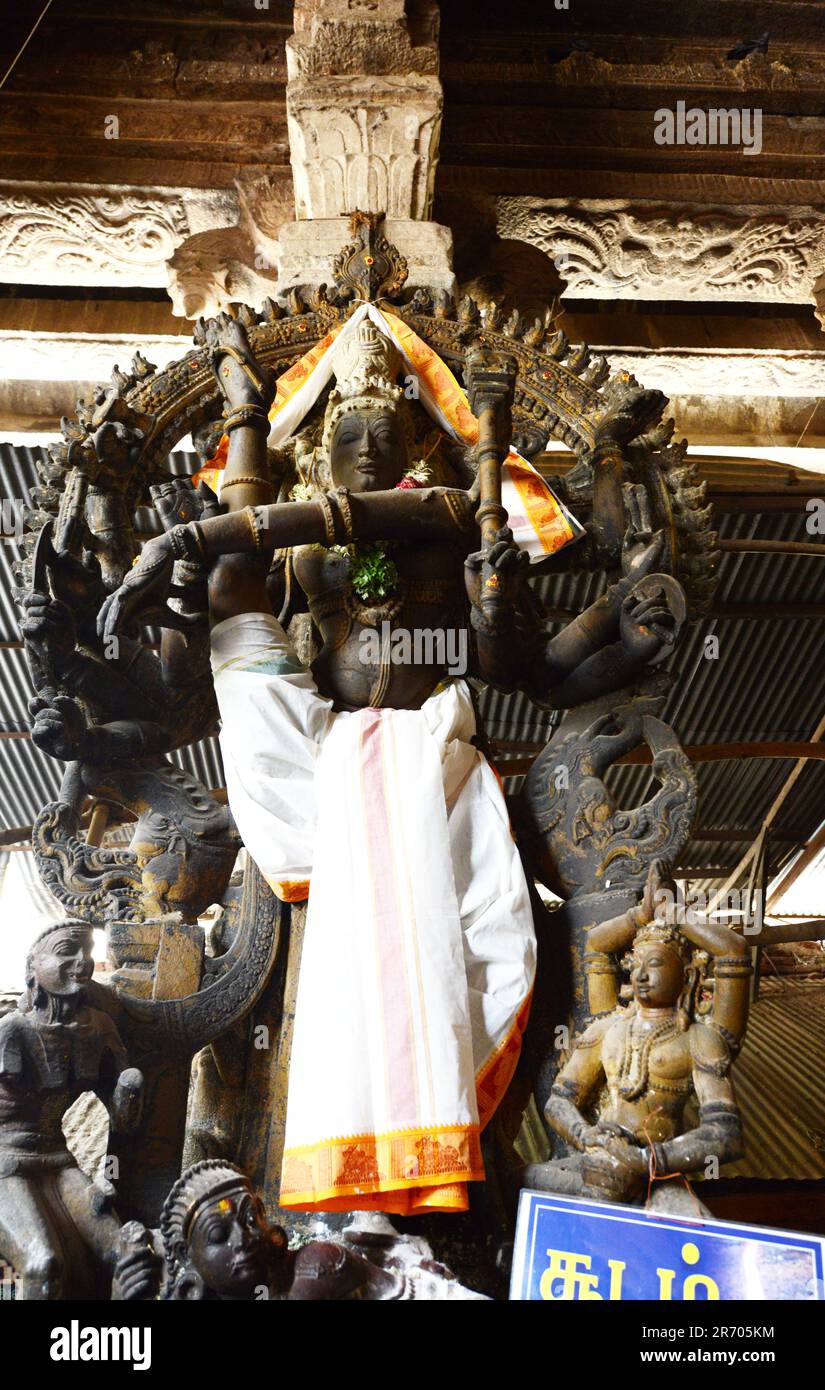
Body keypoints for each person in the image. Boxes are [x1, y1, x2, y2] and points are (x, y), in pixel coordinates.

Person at [98, 313, 681, 1216]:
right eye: (349, 436)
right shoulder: (292, 545)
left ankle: (432, 1152)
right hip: (320, 756)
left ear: (416, 444)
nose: (368, 450)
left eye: (386, 433)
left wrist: (586, 617)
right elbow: (228, 607)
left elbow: (514, 663)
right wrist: (215, 507)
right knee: (231, 608)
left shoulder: (446, 518)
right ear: (317, 455)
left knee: (476, 930)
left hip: (424, 756)